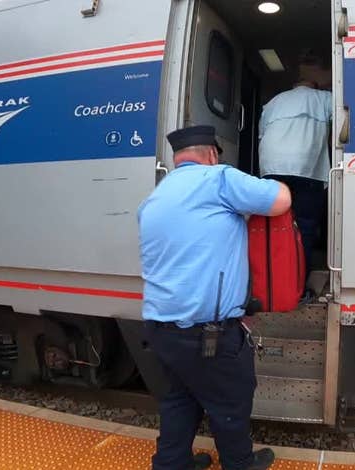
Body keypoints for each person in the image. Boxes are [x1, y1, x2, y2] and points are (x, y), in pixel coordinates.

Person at [138, 125, 291, 470]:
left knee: (179, 398)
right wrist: (281, 182)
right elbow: (280, 199)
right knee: (231, 403)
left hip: (160, 328)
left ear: (178, 159)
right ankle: (240, 464)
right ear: (211, 154)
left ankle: (170, 464)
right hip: (208, 333)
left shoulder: (154, 198)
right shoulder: (218, 178)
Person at [258, 79, 332, 295]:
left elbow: (262, 135)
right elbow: (346, 116)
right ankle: (297, 288)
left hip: (271, 169)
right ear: (314, 87)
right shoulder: (323, 98)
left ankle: (270, 285)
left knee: (271, 229)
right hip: (306, 170)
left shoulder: (272, 102)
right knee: (305, 229)